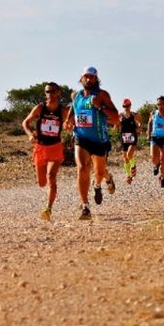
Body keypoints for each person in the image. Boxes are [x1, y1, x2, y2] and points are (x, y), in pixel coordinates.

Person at [67, 66, 119, 220]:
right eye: (86, 77)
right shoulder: (75, 95)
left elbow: (116, 118)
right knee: (83, 168)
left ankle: (105, 180)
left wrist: (100, 106)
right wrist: (68, 121)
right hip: (81, 138)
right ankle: (85, 206)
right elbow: (74, 111)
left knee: (99, 171)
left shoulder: (102, 95)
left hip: (99, 139)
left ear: (96, 79)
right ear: (81, 78)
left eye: (92, 77)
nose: (88, 79)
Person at [21, 82, 69, 221]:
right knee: (42, 182)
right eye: (48, 91)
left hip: (55, 147)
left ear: (59, 92)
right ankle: (48, 194)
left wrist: (69, 125)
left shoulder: (63, 110)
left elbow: (72, 122)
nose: (51, 94)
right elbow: (25, 122)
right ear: (45, 93)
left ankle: (48, 209)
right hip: (40, 148)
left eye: (53, 91)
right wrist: (30, 134)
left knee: (51, 176)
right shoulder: (40, 108)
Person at [117, 98, 141, 184]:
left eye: (127, 106)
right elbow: (116, 125)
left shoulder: (134, 115)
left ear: (130, 106)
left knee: (129, 154)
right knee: (125, 159)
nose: (126, 107)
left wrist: (139, 127)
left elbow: (140, 123)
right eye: (124, 106)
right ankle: (129, 176)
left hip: (132, 137)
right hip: (124, 138)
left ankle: (133, 166)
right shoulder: (120, 116)